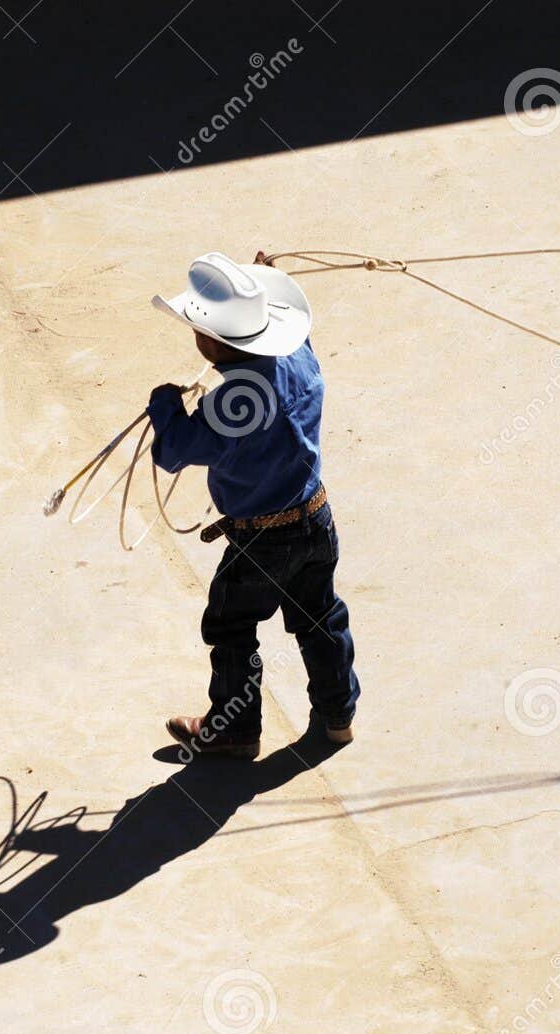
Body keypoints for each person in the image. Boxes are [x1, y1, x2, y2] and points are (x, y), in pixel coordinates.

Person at [147, 251, 359, 759]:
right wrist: (255, 289)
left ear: (211, 342)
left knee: (231, 625)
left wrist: (164, 403)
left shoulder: (234, 403)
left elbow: (173, 451)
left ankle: (235, 729)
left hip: (260, 541)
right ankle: (338, 716)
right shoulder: (297, 355)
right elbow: (295, 335)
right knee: (319, 616)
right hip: (315, 517)